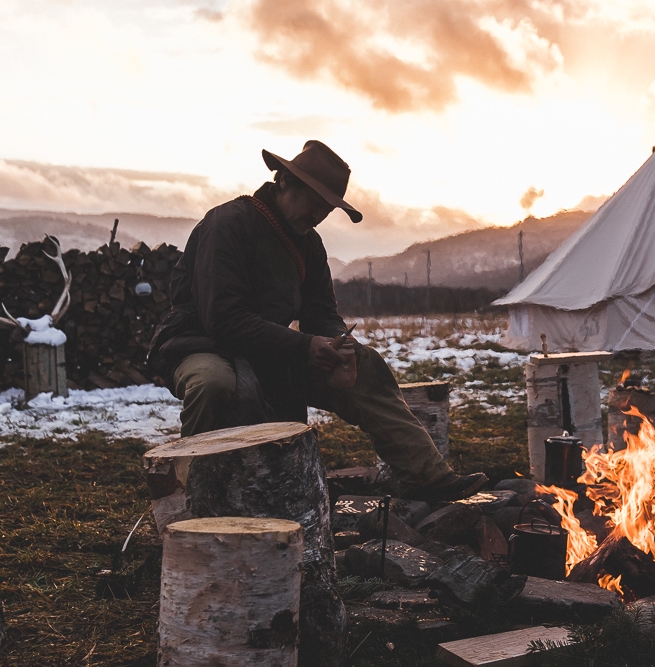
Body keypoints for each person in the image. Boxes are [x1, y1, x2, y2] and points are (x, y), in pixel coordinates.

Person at [148, 140, 487, 503]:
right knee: (214, 385)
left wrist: (337, 342)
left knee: (365, 364)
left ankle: (426, 477)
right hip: (203, 344)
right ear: (284, 183)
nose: (320, 215)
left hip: (269, 348)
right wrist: (304, 346)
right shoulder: (228, 224)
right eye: (315, 202)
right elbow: (224, 319)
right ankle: (188, 499)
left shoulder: (308, 243)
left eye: (327, 209)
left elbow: (321, 312)